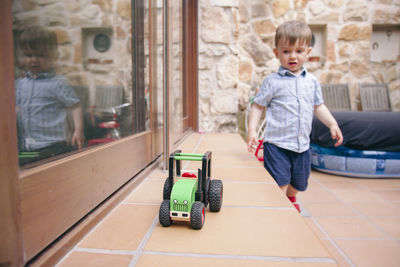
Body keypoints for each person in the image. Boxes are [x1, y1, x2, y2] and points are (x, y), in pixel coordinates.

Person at [247, 20, 343, 212]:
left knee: (299, 184)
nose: (292, 56)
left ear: (308, 52)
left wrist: (332, 124)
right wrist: (252, 131)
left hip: (302, 146)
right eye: (286, 51)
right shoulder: (272, 82)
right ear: (277, 53)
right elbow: (258, 106)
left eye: (298, 51)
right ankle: (280, 214)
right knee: (280, 183)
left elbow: (319, 106)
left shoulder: (312, 82)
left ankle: (290, 199)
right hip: (277, 145)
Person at [15, 26, 84, 164]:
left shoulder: (58, 83)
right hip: (28, 146)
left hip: (53, 146)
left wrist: (78, 129)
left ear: (53, 56)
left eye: (40, 55)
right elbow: (17, 109)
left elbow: (75, 106)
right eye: (29, 55)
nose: (34, 60)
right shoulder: (20, 84)